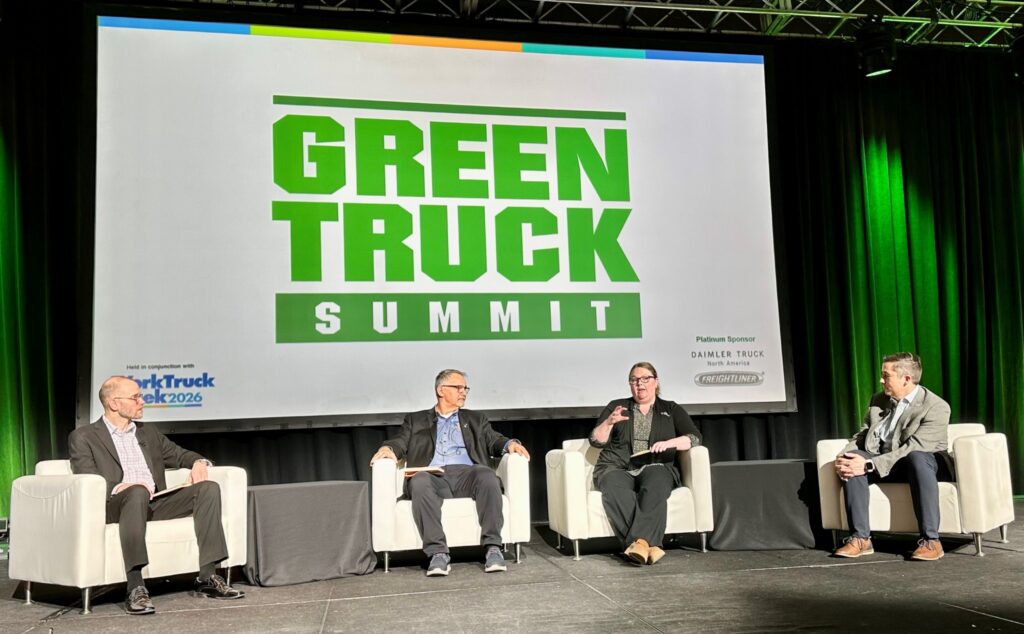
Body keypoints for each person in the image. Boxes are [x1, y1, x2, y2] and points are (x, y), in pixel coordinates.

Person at [69, 376, 244, 615]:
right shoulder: (84, 436)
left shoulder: (147, 432)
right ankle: (135, 587)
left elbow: (180, 455)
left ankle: (207, 576)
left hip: (153, 502)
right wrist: (128, 486)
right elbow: (88, 477)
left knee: (208, 488)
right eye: (136, 397)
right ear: (114, 403)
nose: (142, 401)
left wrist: (199, 462)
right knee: (137, 491)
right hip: (114, 505)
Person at [370, 369, 530, 576]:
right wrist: (388, 449)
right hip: (432, 475)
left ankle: (493, 548)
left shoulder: (475, 419)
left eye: (466, 388)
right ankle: (438, 554)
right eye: (458, 387)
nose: (464, 392)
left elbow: (493, 439)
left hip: (468, 473)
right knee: (419, 482)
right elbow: (400, 441)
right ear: (441, 390)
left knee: (487, 476)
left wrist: (509, 444)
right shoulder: (416, 420)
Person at [833, 352, 952, 561]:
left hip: (922, 464)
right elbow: (863, 434)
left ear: (906, 379)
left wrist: (869, 465)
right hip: (886, 461)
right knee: (853, 458)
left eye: (885, 375)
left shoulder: (935, 406)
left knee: (916, 456)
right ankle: (861, 538)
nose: (881, 380)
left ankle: (932, 541)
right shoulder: (879, 400)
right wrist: (844, 456)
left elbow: (914, 447)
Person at [589, 361, 701, 565]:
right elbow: (596, 440)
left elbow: (693, 438)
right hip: (617, 466)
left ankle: (639, 544)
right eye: (634, 380)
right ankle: (649, 544)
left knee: (657, 482)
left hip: (656, 465)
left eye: (644, 379)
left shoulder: (670, 408)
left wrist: (670, 443)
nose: (639, 384)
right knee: (613, 486)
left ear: (655, 382)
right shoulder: (617, 406)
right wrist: (609, 422)